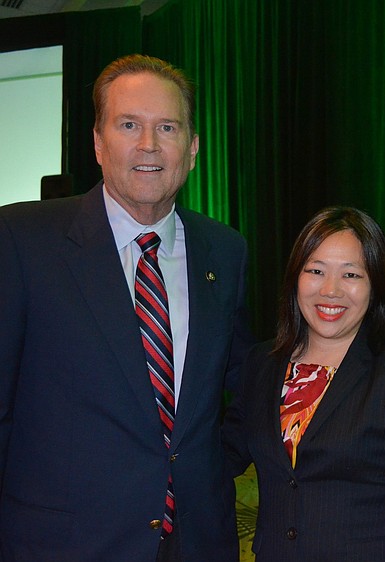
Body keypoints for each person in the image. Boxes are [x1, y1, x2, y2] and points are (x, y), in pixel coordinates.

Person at [0, 54, 252, 561]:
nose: (148, 145)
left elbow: (239, 388)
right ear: (97, 142)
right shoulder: (21, 241)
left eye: (167, 127)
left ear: (194, 148)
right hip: (65, 544)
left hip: (197, 541)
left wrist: (201, 472)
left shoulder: (225, 250)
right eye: (129, 124)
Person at [223, 206, 385, 561]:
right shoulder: (261, 364)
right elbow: (223, 455)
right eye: (316, 271)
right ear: (295, 277)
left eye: (351, 275)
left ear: (375, 285)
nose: (331, 290)